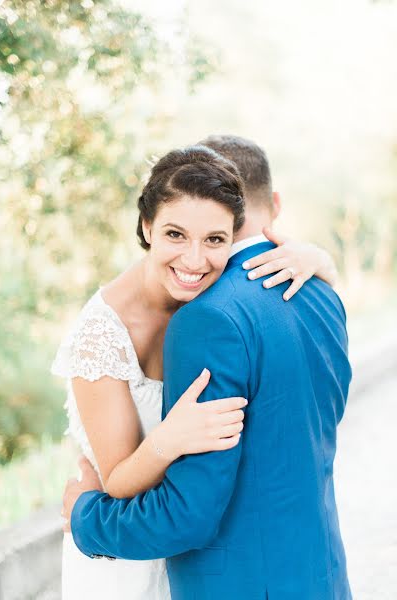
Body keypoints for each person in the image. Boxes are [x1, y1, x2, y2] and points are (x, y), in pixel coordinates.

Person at [57, 138, 347, 600]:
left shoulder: (211, 309)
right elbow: (115, 480)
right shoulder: (105, 334)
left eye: (214, 240)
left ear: (234, 235)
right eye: (175, 234)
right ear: (147, 225)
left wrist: (322, 260)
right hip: (127, 557)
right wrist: (168, 439)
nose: (194, 260)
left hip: (194, 558)